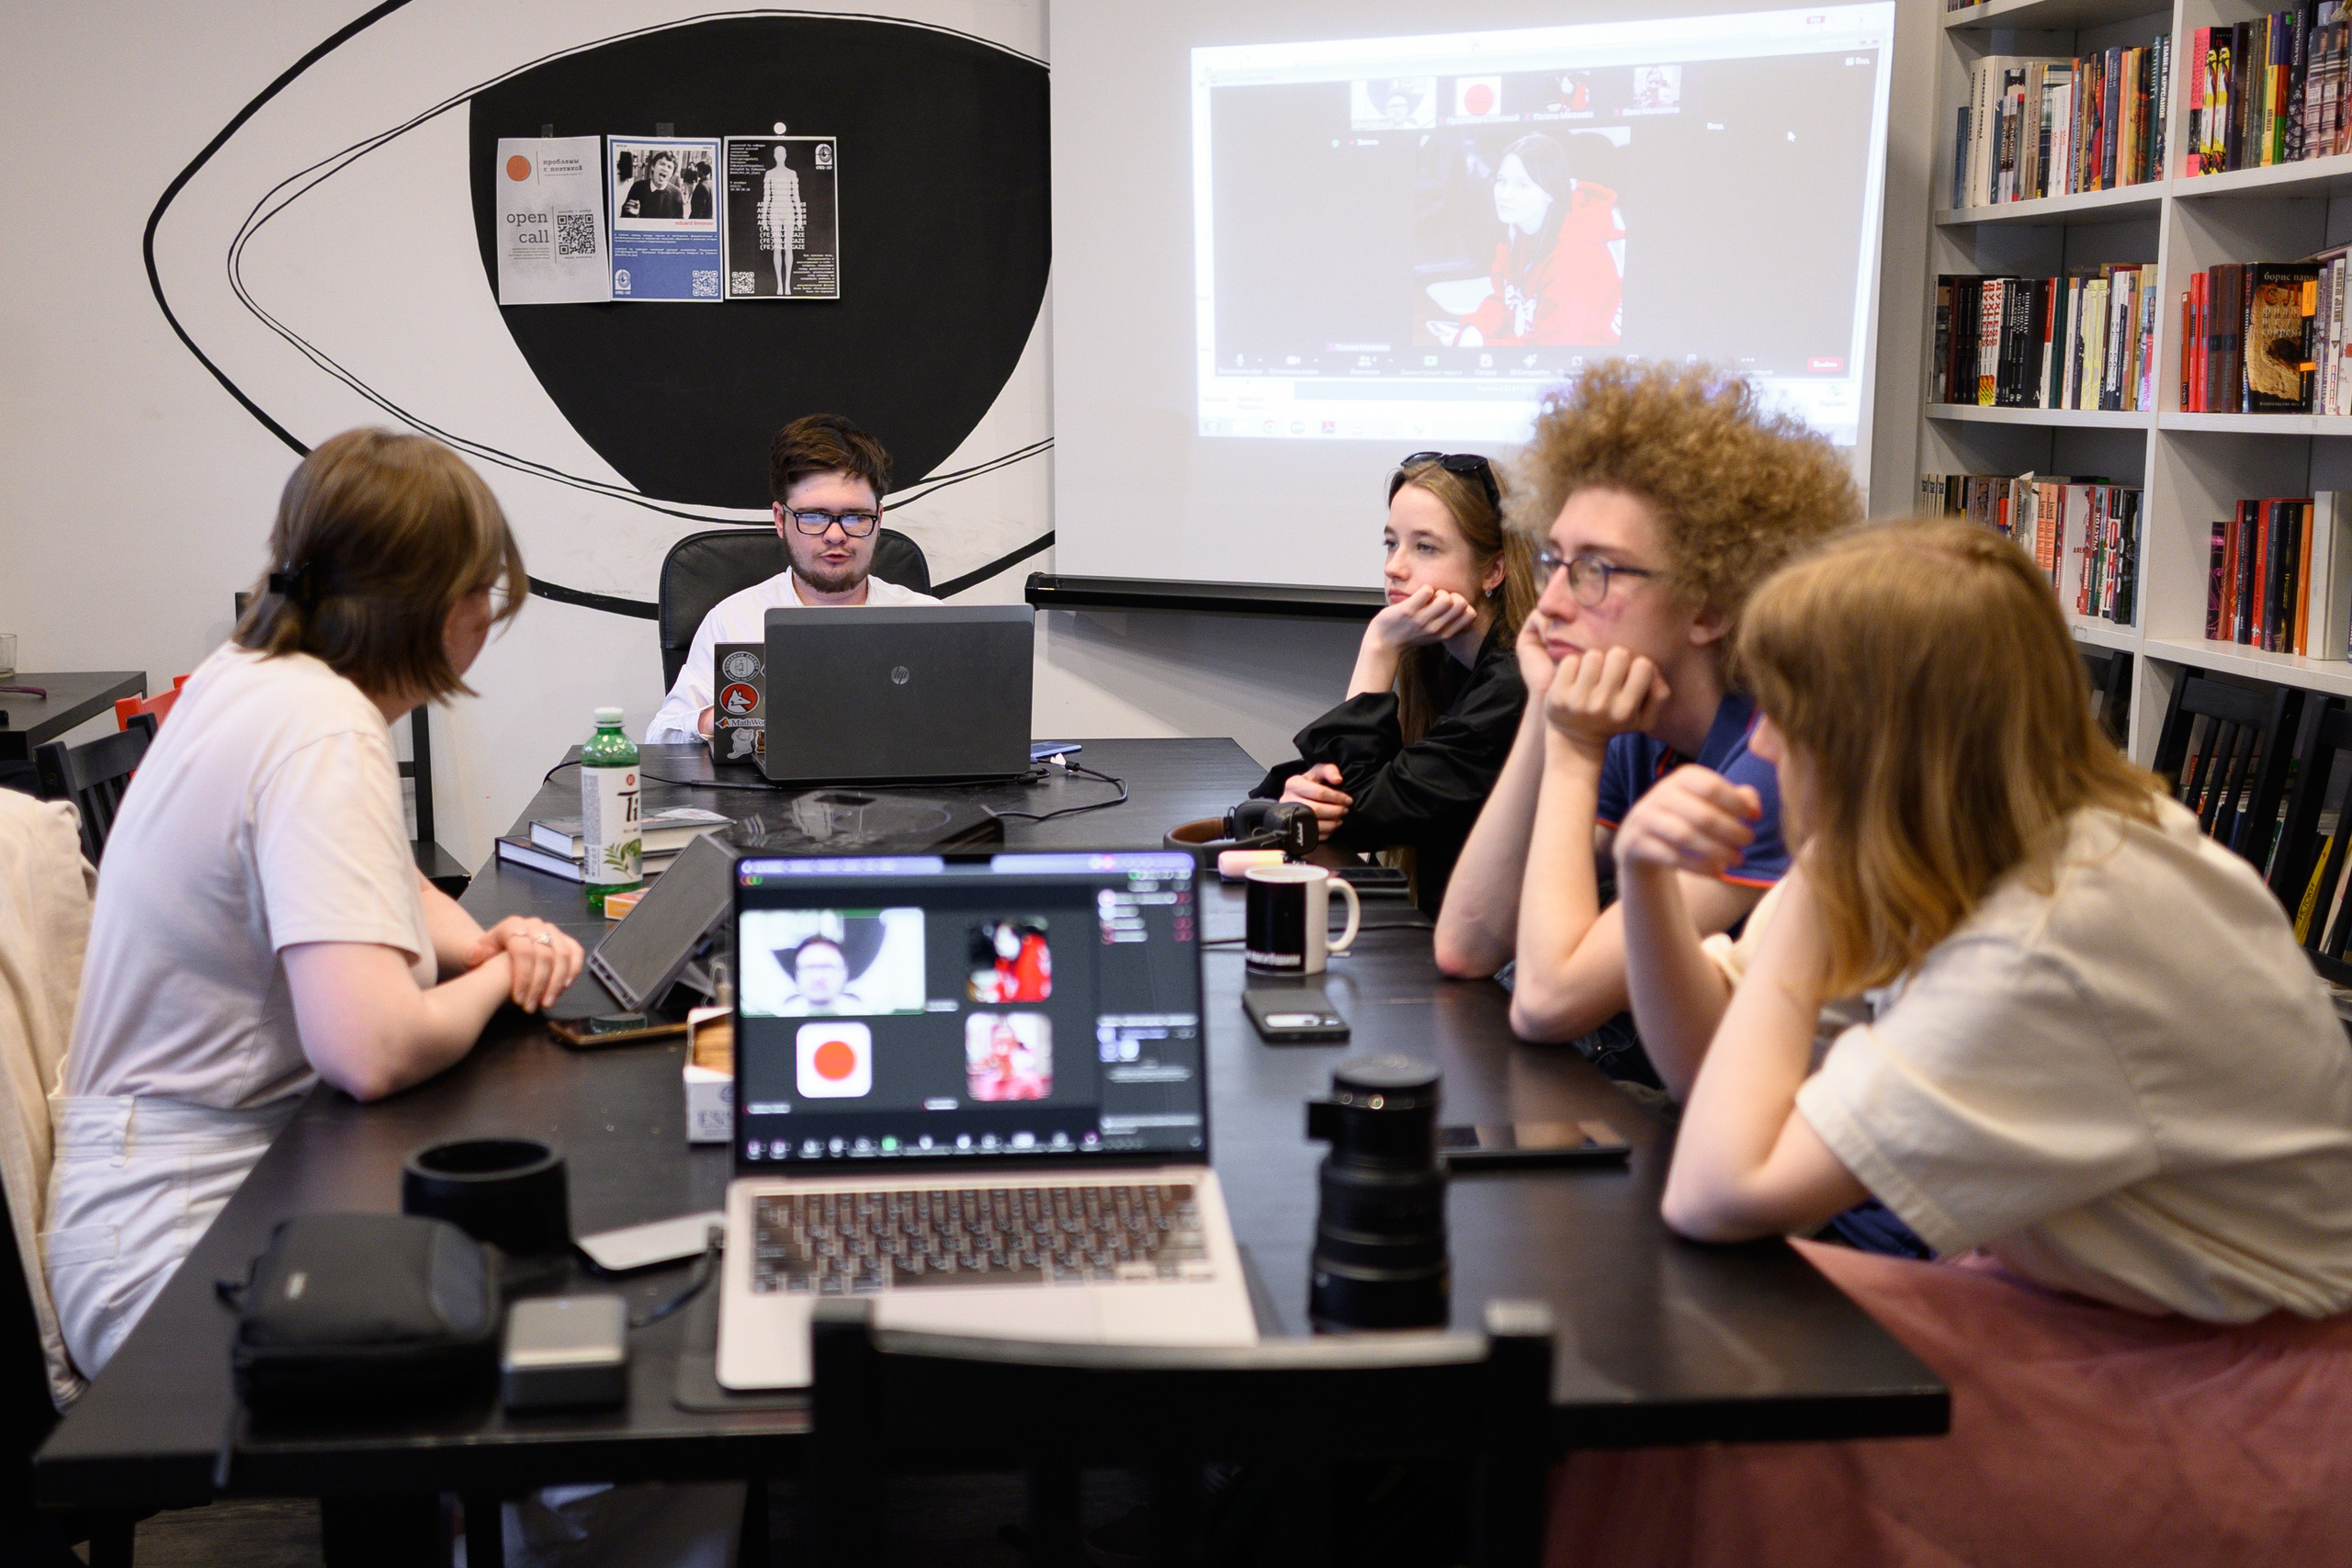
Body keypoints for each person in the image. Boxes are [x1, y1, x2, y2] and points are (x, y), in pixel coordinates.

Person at [1549, 518, 2352, 1565]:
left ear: (1882, 734)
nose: (1770, 749)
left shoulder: (2055, 935)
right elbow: (1715, 1075)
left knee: (1708, 1378)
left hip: (2240, 1394)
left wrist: (1802, 920)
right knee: (1660, 1327)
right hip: (2110, 1316)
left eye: (1791, 715)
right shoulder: (1980, 838)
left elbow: (1719, 1194)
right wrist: (1651, 896)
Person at [44, 430, 585, 1378]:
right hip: (175, 1251)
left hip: (181, 1192)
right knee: (600, 1364)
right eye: (484, 596)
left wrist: (474, 940)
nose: (487, 623)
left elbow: (371, 874)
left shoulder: (257, 680)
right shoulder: (320, 728)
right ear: (434, 607)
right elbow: (369, 1051)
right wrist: (500, 977)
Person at [1432, 360, 1859, 1099]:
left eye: (1598, 569)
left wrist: (1570, 748)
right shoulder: (1639, 719)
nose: (1553, 602)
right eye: (1555, 560)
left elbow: (1546, 997)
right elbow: (1468, 940)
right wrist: (1545, 708)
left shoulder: (1779, 755)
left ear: (1709, 607)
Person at [1252, 452, 1538, 914]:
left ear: (1493, 571)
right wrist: (1298, 793)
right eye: (1391, 543)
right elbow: (1343, 791)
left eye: (1424, 547)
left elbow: (1361, 815)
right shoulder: (1444, 660)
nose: (1394, 567)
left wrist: (1379, 646)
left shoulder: (1513, 684)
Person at [646, 412, 934, 744]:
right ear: (780, 520)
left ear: (879, 518)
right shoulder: (734, 620)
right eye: (813, 516)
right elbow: (661, 737)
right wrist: (732, 716)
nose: (836, 535)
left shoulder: (930, 619)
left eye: (855, 516)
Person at [1432, 132, 1622, 347]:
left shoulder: (1576, 257)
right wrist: (1475, 328)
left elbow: (1551, 350)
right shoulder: (1521, 229)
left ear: (1551, 193)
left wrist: (1481, 347)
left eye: (1522, 185)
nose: (1505, 195)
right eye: (1501, 181)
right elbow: (1507, 299)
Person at [758, 143, 806, 295]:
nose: (779, 156)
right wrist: (764, 218)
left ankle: (788, 285)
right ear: (774, 156)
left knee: (788, 247)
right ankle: (780, 284)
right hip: (775, 210)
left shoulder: (792, 173)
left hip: (788, 209)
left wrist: (799, 217)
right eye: (777, 153)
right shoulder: (769, 174)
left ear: (785, 155)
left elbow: (796, 196)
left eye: (782, 153)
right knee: (777, 247)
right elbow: (766, 197)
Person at [779, 935, 864, 1015]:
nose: (818, 977)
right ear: (797, 974)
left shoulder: (859, 1012)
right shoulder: (783, 1014)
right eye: (809, 968)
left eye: (827, 968)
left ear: (844, 973)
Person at [618, 148, 684, 220]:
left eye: (669, 167)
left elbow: (678, 224)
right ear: (653, 166)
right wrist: (634, 215)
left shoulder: (677, 194)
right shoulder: (638, 188)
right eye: (662, 164)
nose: (665, 169)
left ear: (672, 174)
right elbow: (624, 219)